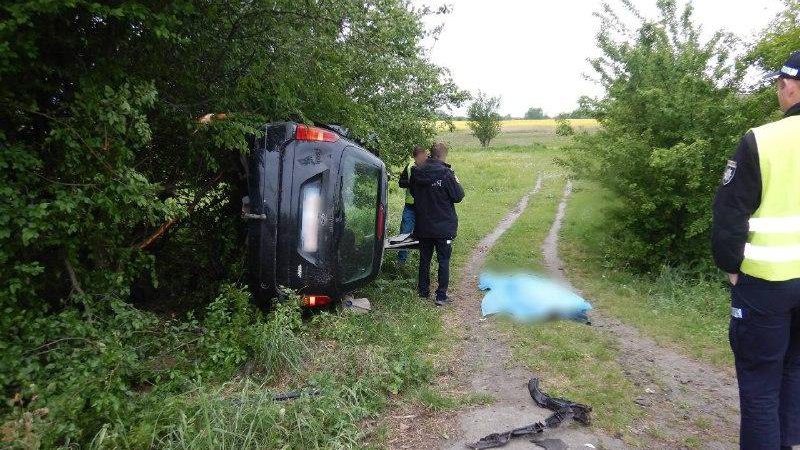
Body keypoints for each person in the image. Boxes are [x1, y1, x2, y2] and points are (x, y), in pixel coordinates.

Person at [712, 51, 800, 450]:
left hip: (765, 286)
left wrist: (732, 267)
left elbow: (729, 214)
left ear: (789, 85)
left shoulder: (762, 139)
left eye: (780, 83)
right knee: (795, 377)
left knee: (761, 387)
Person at [411, 142, 464, 306]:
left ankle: (423, 292)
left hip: (423, 224)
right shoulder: (447, 173)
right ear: (443, 155)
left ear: (430, 154)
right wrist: (456, 181)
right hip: (443, 226)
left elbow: (413, 192)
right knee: (443, 260)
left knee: (424, 259)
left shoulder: (416, 172)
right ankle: (441, 296)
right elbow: (458, 196)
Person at [396, 146, 428, 263]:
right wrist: (412, 183)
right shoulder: (409, 167)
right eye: (419, 156)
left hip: (424, 207)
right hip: (410, 206)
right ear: (416, 156)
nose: (422, 158)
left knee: (425, 235)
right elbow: (401, 183)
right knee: (405, 234)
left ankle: (423, 261)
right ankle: (401, 262)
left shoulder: (429, 166)